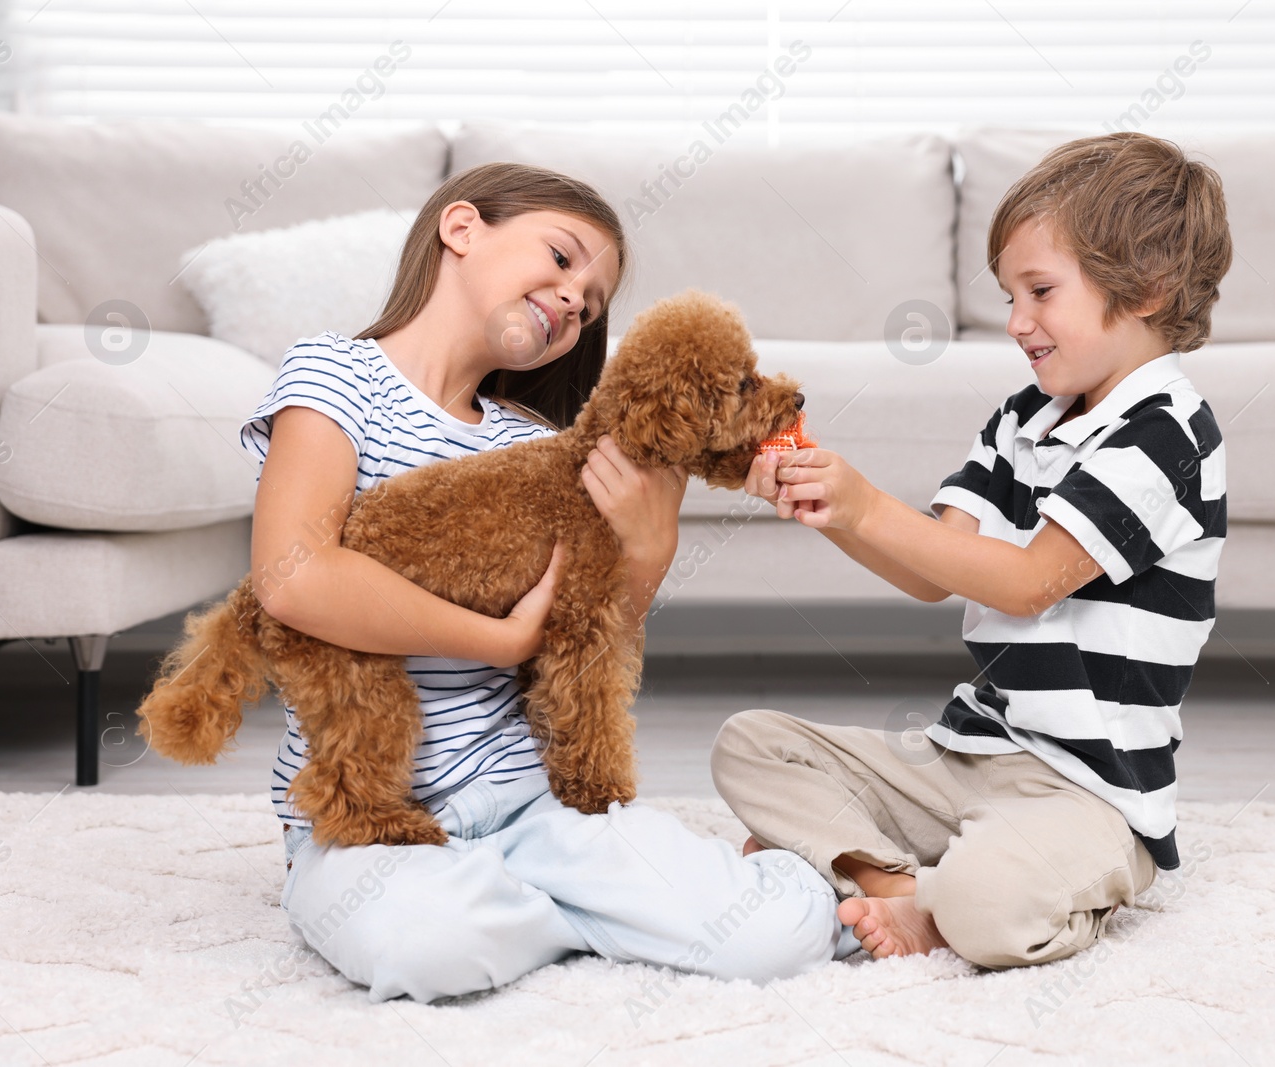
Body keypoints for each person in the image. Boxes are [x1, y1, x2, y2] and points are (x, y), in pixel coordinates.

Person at [239, 161, 850, 1003]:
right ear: (461, 229)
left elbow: (591, 631)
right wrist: (494, 639)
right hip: (373, 824)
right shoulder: (337, 377)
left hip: (531, 799)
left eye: (592, 302)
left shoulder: (534, 440)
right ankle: (598, 913)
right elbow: (292, 576)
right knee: (424, 948)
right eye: (561, 259)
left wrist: (655, 541)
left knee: (782, 932)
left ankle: (558, 901)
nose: (574, 298)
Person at [711, 132, 1233, 968]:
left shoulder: (1165, 434)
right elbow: (931, 569)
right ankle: (893, 883)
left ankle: (917, 887)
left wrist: (866, 501)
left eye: (1040, 291)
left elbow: (1029, 583)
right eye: (1009, 294)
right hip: (972, 756)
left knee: (988, 904)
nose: (1016, 322)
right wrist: (833, 507)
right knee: (751, 742)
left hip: (1092, 793)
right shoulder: (1024, 416)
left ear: (1146, 288)